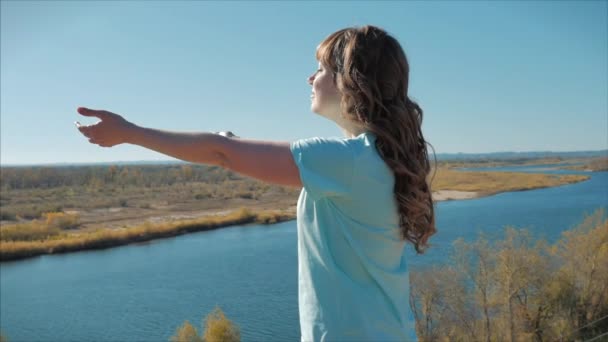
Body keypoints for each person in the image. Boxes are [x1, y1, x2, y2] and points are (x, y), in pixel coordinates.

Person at [75, 24, 436, 342]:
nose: (311, 78)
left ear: (352, 82)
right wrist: (231, 144)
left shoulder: (347, 162)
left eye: (322, 69)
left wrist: (129, 133)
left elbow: (222, 154)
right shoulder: (376, 158)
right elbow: (233, 151)